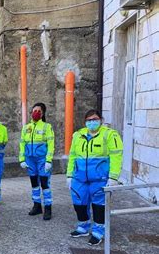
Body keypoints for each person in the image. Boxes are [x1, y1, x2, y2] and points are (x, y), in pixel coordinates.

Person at [67, 109, 123, 246]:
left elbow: (116, 156)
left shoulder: (110, 135)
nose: (92, 122)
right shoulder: (78, 135)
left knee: (99, 205)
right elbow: (72, 155)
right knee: (79, 203)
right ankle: (83, 227)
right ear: (85, 122)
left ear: (101, 120)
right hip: (79, 178)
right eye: (89, 120)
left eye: (95, 119)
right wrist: (69, 174)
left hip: (100, 178)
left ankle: (98, 232)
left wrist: (114, 177)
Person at [19, 102, 55, 220]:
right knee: (34, 183)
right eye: (34, 110)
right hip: (30, 160)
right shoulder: (26, 127)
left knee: (45, 184)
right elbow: (22, 144)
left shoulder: (47, 126)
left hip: (42, 160)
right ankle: (37, 205)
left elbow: (51, 144)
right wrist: (22, 159)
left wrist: (49, 160)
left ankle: (48, 207)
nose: (36, 113)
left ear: (43, 113)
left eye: (39, 111)